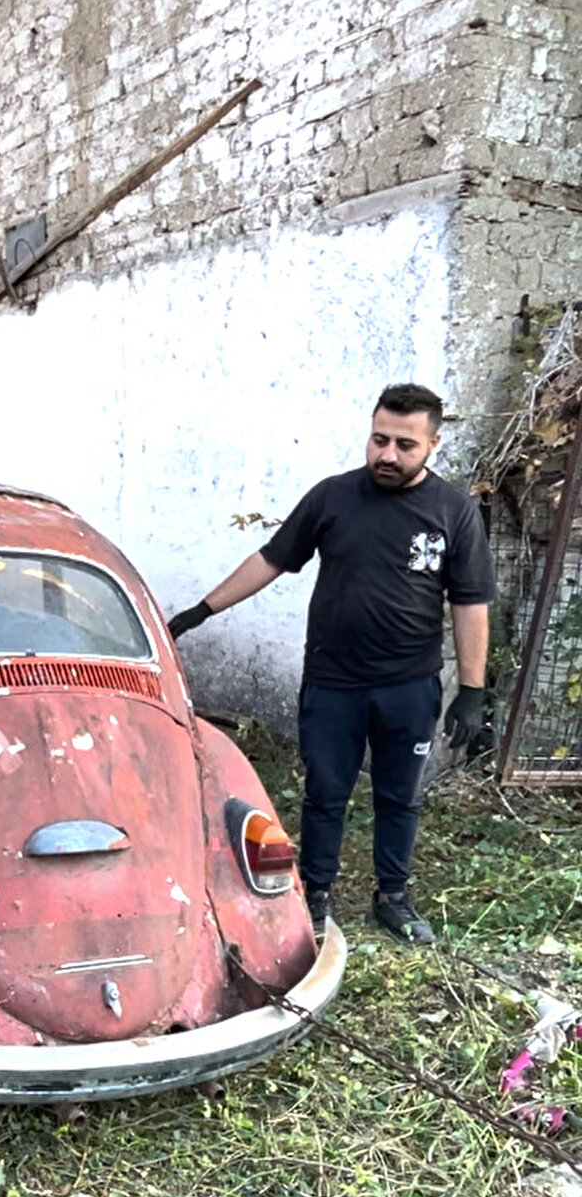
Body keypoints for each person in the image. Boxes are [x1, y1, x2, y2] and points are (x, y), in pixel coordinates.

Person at [169, 383, 494, 945]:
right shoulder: (332, 498)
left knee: (400, 795)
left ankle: (393, 897)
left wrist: (471, 690)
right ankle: (315, 894)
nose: (387, 454)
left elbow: (470, 603)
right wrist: (201, 611)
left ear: (433, 444)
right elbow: (271, 559)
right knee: (325, 793)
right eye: (379, 439)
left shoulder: (454, 511)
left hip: (409, 685)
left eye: (405, 445)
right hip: (334, 681)